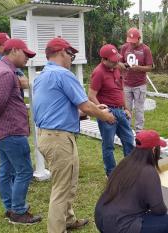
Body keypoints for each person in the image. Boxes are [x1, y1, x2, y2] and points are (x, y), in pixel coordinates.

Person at [33, 37, 116, 233]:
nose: (72, 58)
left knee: (69, 180)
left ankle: (68, 219)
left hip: (48, 135)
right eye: (71, 54)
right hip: (59, 138)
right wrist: (104, 115)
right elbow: (85, 105)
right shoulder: (63, 74)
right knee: (62, 189)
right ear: (62, 52)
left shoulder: (42, 76)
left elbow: (61, 108)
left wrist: (92, 109)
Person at [0, 38, 41, 225]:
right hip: (11, 131)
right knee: (24, 171)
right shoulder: (6, 73)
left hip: (3, 132)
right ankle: (19, 211)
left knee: (6, 171)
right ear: (13, 51)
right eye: (25, 54)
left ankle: (10, 208)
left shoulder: (0, 69)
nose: (28, 58)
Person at [95, 130, 168, 233]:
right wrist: (166, 208)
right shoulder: (149, 171)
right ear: (153, 150)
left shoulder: (126, 162)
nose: (160, 152)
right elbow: (158, 210)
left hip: (101, 217)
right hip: (120, 225)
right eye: (159, 149)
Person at [89, 44, 135, 176]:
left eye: (117, 59)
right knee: (108, 145)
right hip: (108, 112)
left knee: (128, 139)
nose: (116, 62)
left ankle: (131, 171)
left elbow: (120, 90)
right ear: (104, 60)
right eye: (113, 60)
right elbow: (91, 95)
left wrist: (126, 108)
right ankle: (111, 173)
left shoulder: (116, 68)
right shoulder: (98, 72)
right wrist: (103, 111)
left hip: (121, 111)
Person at [119, 27, 154, 133]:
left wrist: (138, 68)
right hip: (126, 84)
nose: (132, 44)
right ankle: (127, 129)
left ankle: (139, 131)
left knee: (139, 109)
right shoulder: (124, 48)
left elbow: (150, 67)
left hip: (140, 85)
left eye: (134, 42)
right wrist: (124, 65)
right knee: (126, 108)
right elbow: (119, 62)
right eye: (130, 42)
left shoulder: (145, 49)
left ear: (139, 38)